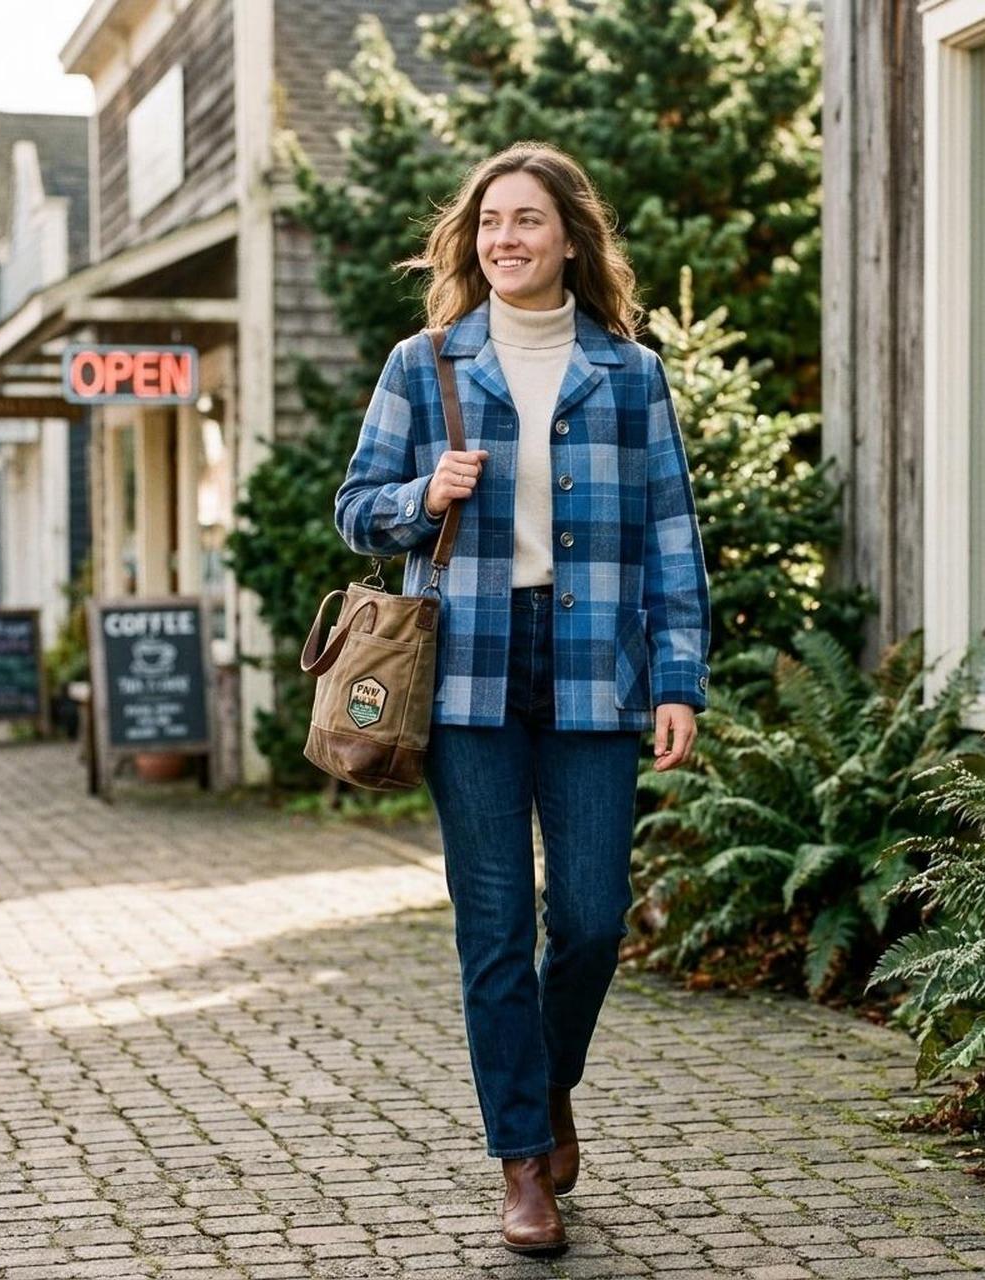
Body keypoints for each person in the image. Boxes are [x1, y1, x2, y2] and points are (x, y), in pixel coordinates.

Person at [333, 140, 711, 1255]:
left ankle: (547, 1086)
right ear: (473, 239)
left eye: (528, 219)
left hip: (595, 665)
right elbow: (354, 509)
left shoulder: (629, 374)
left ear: (569, 239)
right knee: (493, 926)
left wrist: (678, 677)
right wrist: (421, 493)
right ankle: (522, 1163)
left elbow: (672, 536)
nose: (507, 237)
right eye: (491, 220)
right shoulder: (424, 364)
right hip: (467, 672)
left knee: (591, 919)